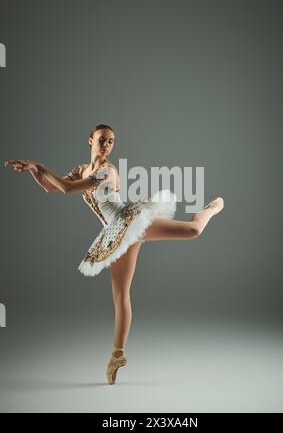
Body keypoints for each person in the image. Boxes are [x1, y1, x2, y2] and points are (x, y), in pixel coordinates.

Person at [4, 124, 224, 385]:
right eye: (102, 140)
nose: (106, 145)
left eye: (111, 142)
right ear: (90, 140)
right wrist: (33, 171)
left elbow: (65, 188)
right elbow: (50, 187)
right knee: (120, 295)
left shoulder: (107, 171)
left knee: (193, 230)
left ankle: (209, 209)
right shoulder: (81, 170)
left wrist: (37, 165)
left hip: (129, 220)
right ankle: (117, 354)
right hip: (114, 233)